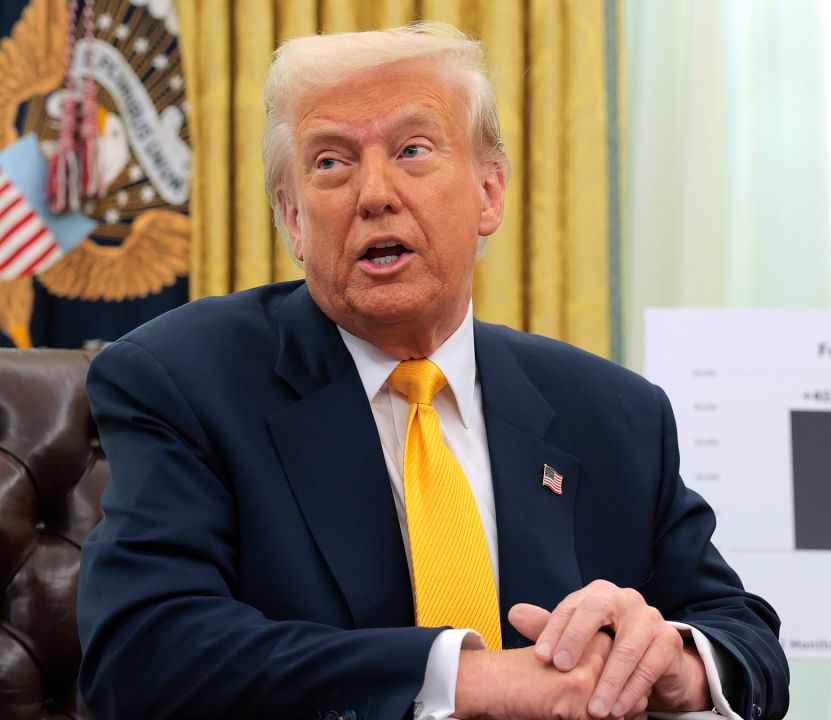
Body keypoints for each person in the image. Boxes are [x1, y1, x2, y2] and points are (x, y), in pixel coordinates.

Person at [75, 22, 788, 720]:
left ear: (489, 193)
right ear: (293, 220)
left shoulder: (615, 413)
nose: (374, 193)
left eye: (413, 150)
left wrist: (674, 665)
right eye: (331, 162)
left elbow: (746, 638)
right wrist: (468, 680)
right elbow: (142, 654)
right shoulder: (182, 382)